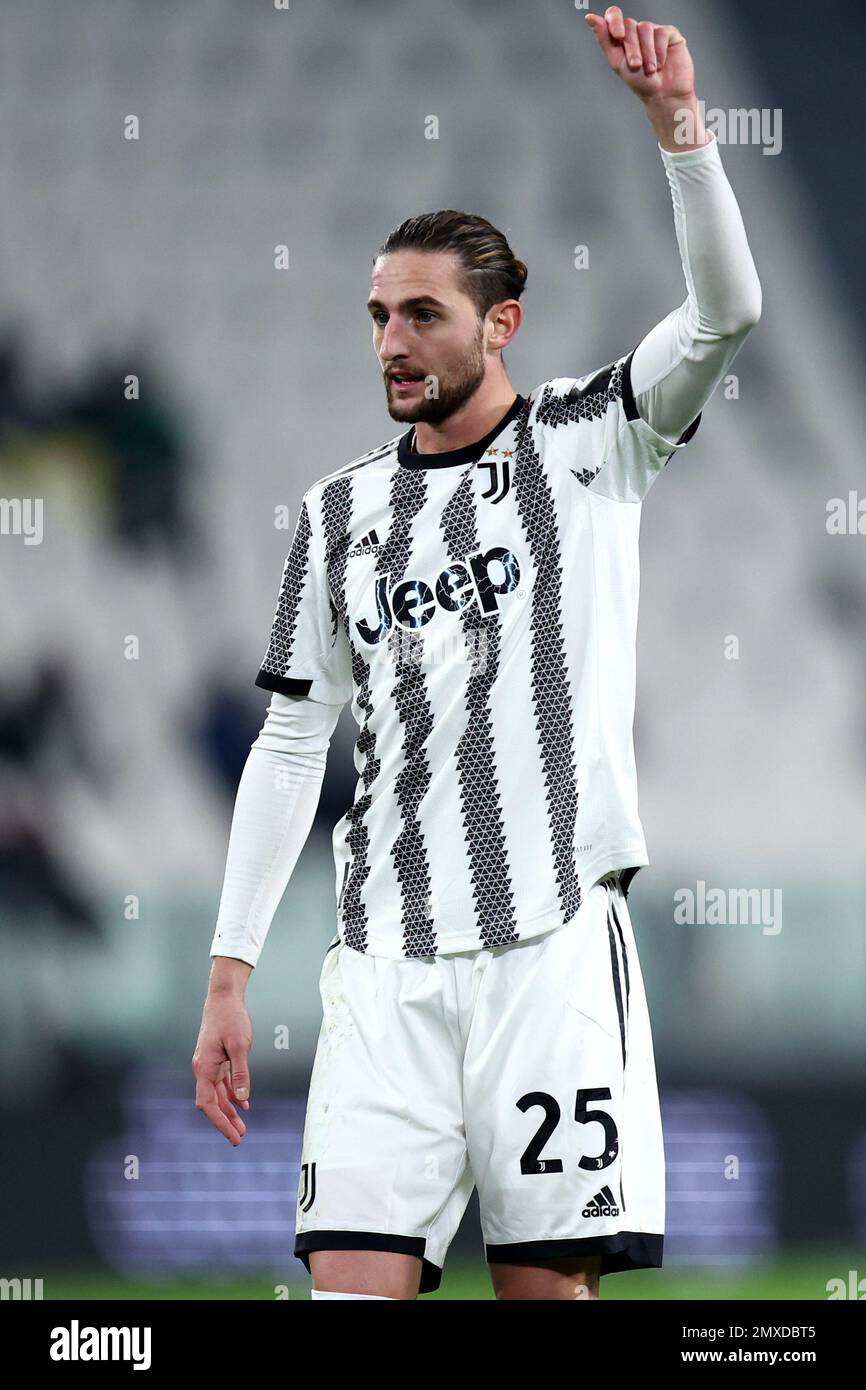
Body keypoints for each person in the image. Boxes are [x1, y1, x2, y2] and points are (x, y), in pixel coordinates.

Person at [193, 6, 761, 1301]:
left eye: (423, 316)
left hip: (549, 956)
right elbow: (291, 740)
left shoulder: (589, 439)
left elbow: (728, 312)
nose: (391, 342)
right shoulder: (338, 514)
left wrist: (677, 130)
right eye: (377, 315)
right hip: (382, 973)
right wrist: (228, 974)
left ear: (501, 323)